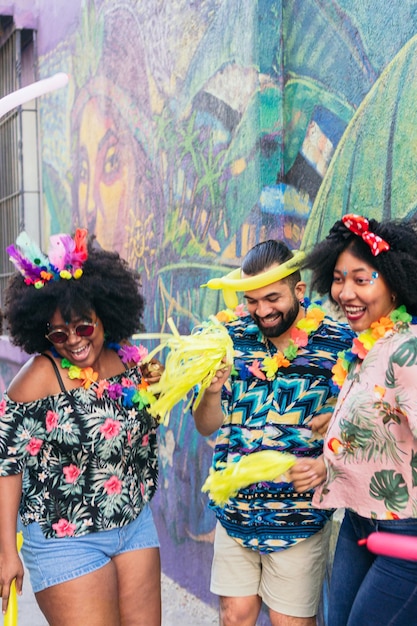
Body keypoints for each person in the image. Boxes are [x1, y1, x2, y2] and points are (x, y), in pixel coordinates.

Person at [0, 229, 162, 626]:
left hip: (134, 526)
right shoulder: (38, 377)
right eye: (58, 333)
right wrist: (7, 550)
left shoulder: (130, 363)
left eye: (83, 327)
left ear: (105, 314)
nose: (73, 341)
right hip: (64, 537)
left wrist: (158, 392)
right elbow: (7, 463)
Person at [192, 239, 355, 626]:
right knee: (235, 616)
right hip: (236, 510)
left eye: (272, 298)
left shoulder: (338, 342)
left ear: (299, 290)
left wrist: (337, 418)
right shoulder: (227, 339)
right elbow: (205, 426)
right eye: (252, 300)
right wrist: (212, 391)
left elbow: (364, 420)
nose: (262, 311)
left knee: (290, 621)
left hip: (298, 515)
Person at [290, 213, 417, 626]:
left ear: (394, 283)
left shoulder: (407, 350)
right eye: (340, 278)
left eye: (361, 279)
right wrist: (326, 463)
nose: (345, 292)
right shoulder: (370, 343)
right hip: (359, 522)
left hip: (405, 537)